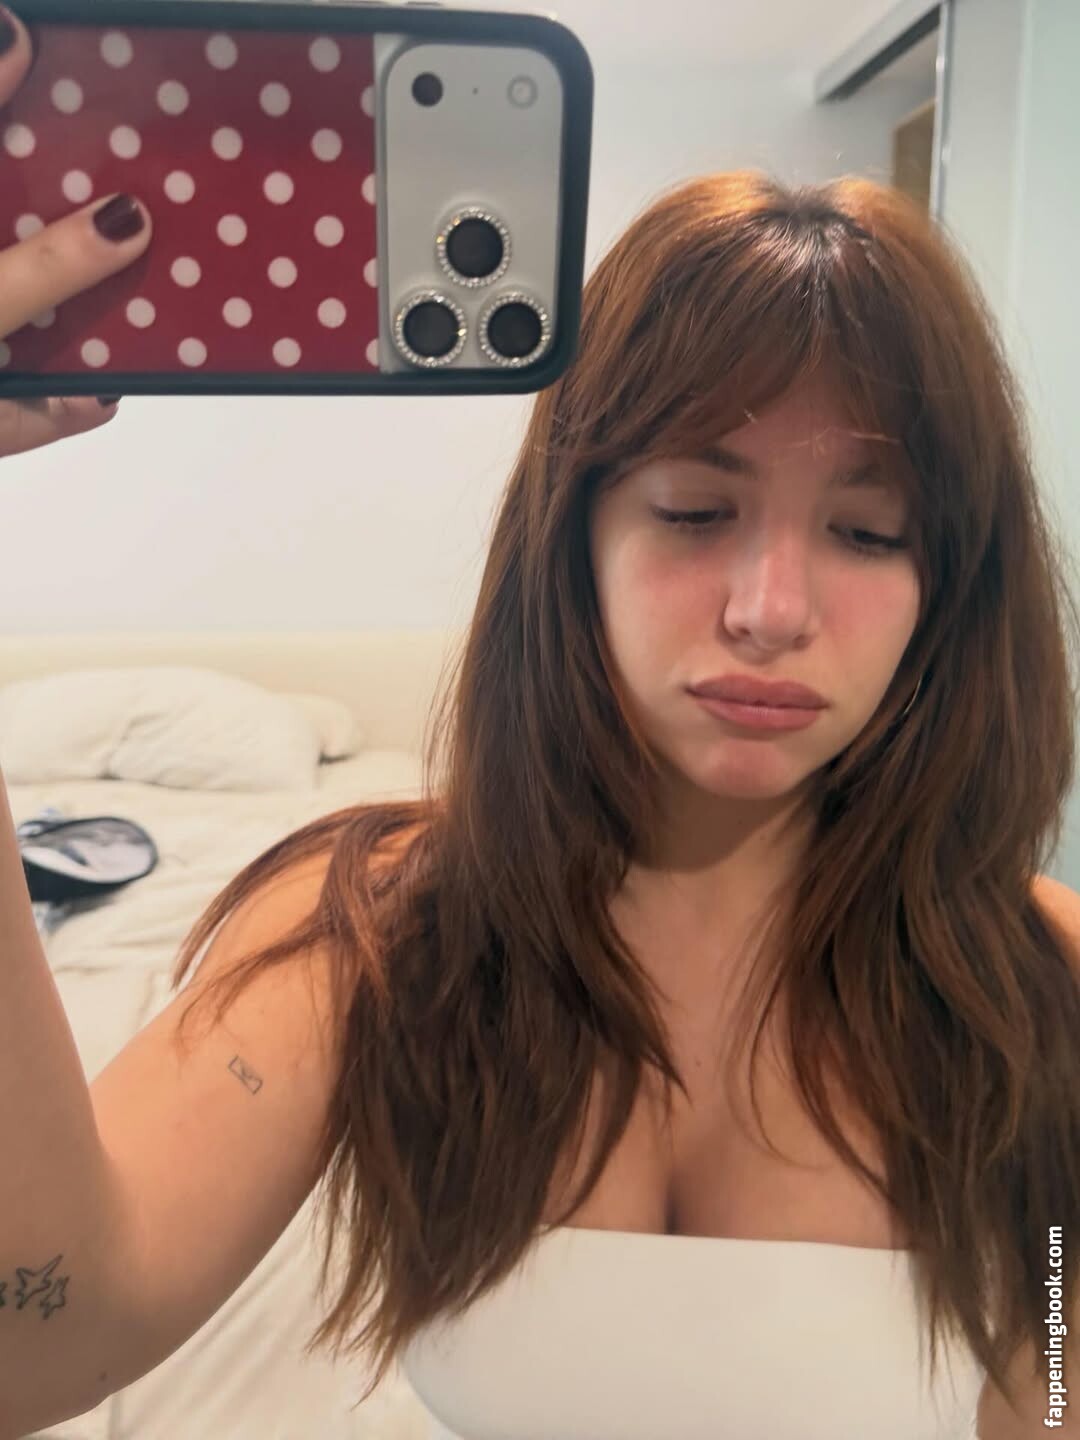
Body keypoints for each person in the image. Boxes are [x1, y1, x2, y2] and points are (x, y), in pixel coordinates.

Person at [1, 8, 1078, 1439]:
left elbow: (1051, 1391)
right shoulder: (372, 938)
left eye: (869, 532)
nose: (771, 608)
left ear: (951, 586)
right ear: (573, 540)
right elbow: (37, 1337)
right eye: (693, 510)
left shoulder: (1041, 991)